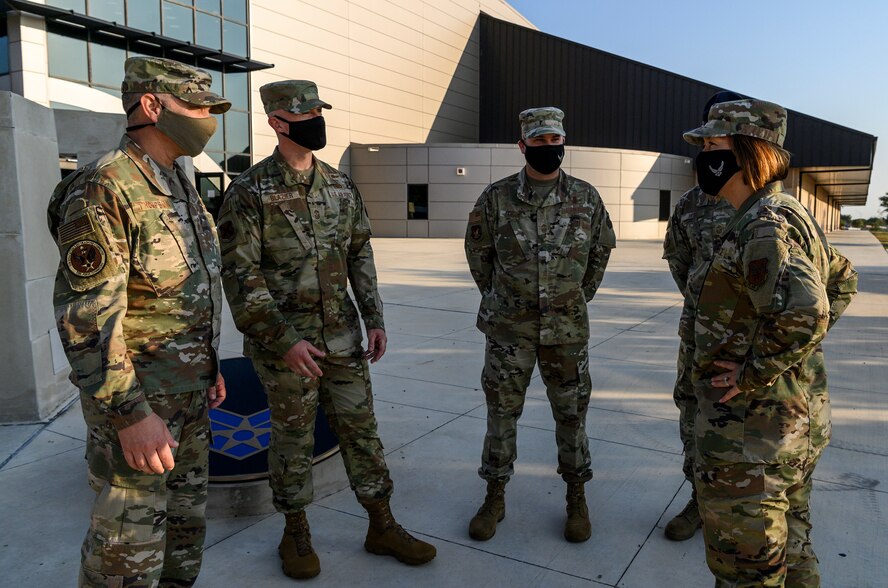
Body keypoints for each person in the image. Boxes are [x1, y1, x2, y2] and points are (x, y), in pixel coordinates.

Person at [217, 80, 436, 580]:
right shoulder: (249, 193)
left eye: (318, 110)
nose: (316, 120)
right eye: (304, 113)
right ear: (276, 122)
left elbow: (360, 252)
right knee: (293, 440)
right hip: (286, 348)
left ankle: (381, 524)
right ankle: (295, 531)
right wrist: (283, 340)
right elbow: (241, 277)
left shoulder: (340, 186)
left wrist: (375, 318)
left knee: (363, 433)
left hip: (343, 339)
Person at [47, 56, 229, 587]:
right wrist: (130, 415)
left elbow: (185, 294)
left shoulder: (179, 183)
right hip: (140, 411)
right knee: (125, 558)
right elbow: (87, 319)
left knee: (181, 542)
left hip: (188, 400)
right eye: (194, 105)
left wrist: (207, 365)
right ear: (151, 105)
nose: (206, 116)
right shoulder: (106, 186)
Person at [683, 98, 857, 586]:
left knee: (748, 572)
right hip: (791, 426)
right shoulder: (785, 211)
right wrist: (785, 358)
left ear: (747, 153)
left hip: (751, 437)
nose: (703, 158)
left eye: (713, 146)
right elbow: (842, 280)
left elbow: (808, 310)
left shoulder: (763, 225)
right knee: (794, 552)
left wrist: (754, 370)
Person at [464, 107, 616, 543]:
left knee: (572, 416)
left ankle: (576, 496)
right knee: (501, 415)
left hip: (566, 333)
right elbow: (479, 258)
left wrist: (577, 295)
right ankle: (494, 495)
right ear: (523, 145)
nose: (549, 148)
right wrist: (502, 299)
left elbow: (601, 251)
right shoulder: (495, 199)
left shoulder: (586, 198)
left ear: (563, 143)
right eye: (539, 141)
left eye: (555, 141)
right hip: (509, 332)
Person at [661, 90, 744, 541]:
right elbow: (679, 260)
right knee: (693, 421)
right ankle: (699, 501)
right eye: (708, 142)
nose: (711, 151)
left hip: (749, 350)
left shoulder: (768, 205)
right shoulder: (692, 204)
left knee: (746, 431)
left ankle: (748, 513)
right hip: (698, 342)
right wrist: (704, 308)